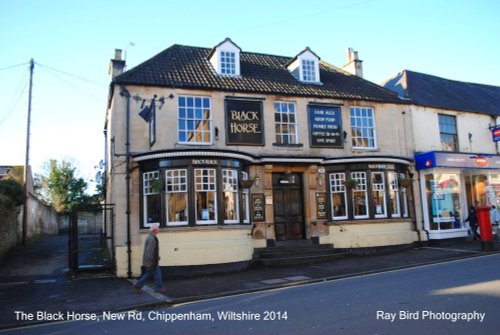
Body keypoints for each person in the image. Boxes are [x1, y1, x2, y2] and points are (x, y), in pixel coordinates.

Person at [133, 223, 166, 294]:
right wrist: (151, 261)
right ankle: (158, 288)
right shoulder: (151, 238)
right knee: (157, 272)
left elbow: (153, 250)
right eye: (158, 228)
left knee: (149, 273)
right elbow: (149, 251)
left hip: (152, 260)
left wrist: (157, 256)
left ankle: (138, 285)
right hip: (152, 261)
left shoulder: (151, 237)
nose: (159, 229)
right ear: (155, 230)